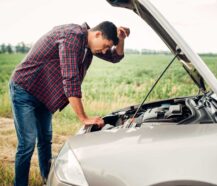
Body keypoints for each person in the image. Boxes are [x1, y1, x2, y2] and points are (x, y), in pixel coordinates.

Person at [9, 21, 130, 186]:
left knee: (45, 139)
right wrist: (84, 118)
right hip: (25, 88)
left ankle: (47, 180)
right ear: (97, 34)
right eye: (104, 46)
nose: (103, 51)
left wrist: (121, 39)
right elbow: (70, 79)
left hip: (44, 94)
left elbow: (115, 57)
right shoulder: (72, 36)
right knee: (28, 143)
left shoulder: (88, 44)